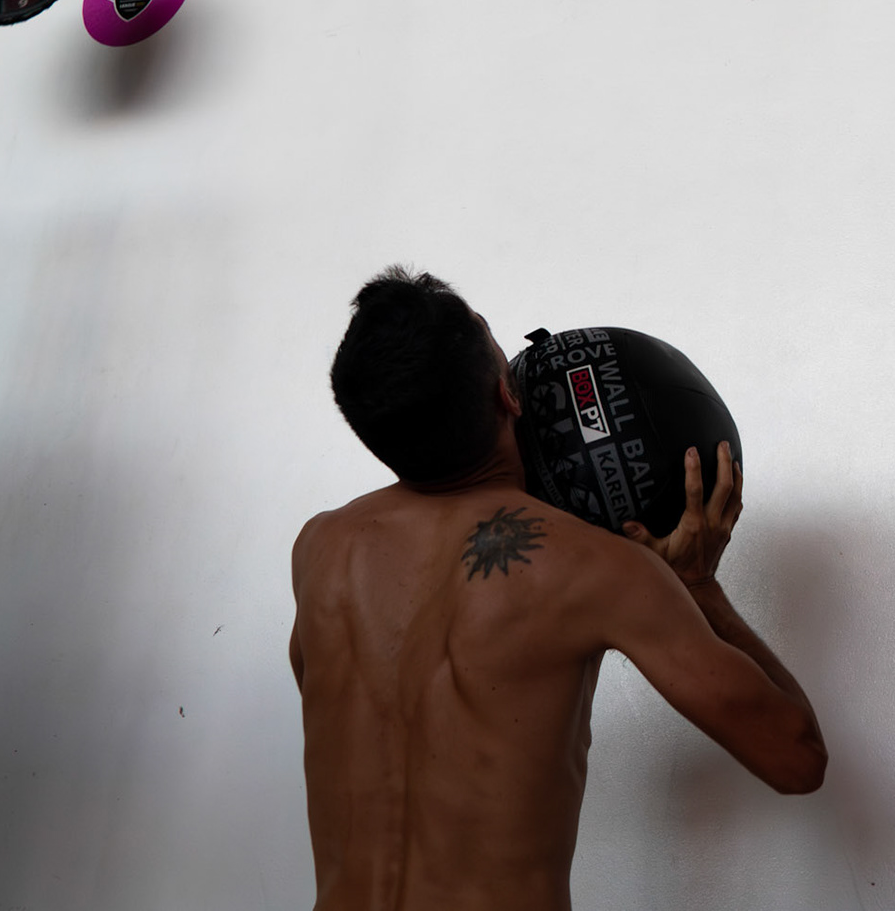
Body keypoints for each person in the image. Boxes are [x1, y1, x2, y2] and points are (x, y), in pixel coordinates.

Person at [291, 268, 825, 911]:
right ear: (507, 395)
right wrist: (696, 585)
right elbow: (796, 760)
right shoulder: (592, 568)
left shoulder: (322, 551)